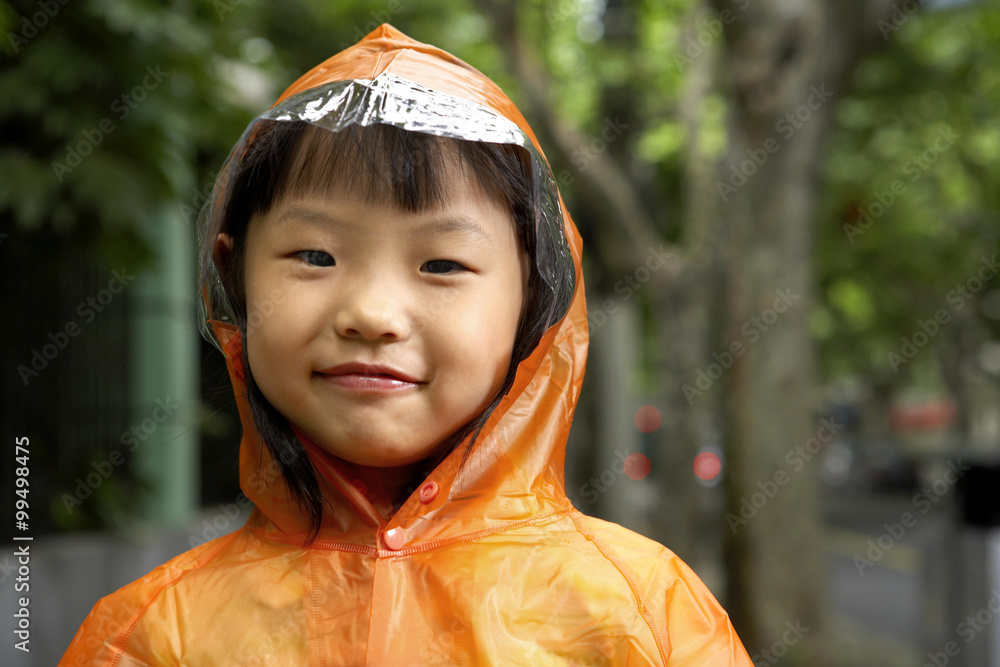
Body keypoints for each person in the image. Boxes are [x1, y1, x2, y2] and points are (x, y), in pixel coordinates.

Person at [61, 24, 753, 666]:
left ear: (533, 300)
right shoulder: (148, 637)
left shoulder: (641, 616)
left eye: (442, 265)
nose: (372, 313)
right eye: (315, 255)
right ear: (235, 275)